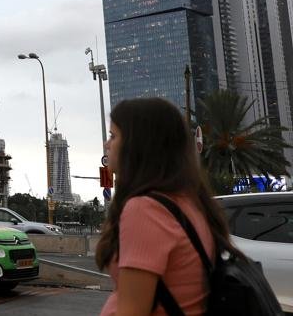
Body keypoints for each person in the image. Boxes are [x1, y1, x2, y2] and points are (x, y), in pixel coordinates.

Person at [97, 98, 236, 316]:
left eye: (114, 136)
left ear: (138, 146)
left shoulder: (145, 210)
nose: (107, 144)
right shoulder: (188, 202)